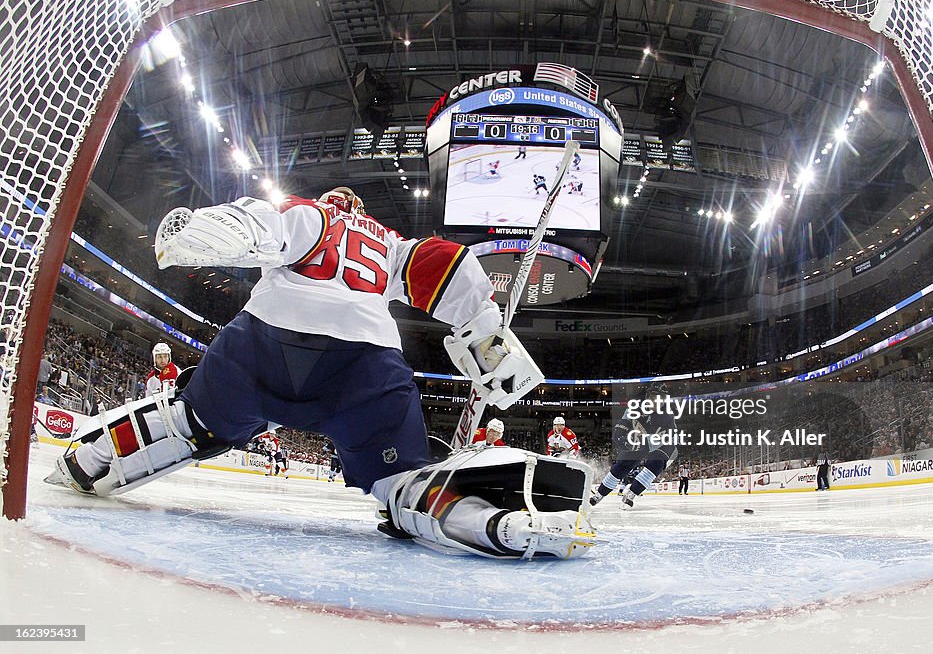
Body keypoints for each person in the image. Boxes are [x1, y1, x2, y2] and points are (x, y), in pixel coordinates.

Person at [46, 187, 596, 559]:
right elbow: (450, 268)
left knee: (188, 422)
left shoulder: (316, 214)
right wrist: (487, 337)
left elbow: (264, 225)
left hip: (263, 345)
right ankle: (497, 526)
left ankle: (87, 462)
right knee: (401, 483)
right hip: (363, 367)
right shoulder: (392, 247)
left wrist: (206, 230)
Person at [590, 382, 678, 510]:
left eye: (661, 398)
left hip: (663, 443)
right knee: (621, 466)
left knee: (655, 464)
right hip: (642, 440)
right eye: (654, 396)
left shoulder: (666, 416)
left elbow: (656, 441)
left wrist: (635, 442)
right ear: (647, 396)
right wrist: (623, 439)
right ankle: (599, 495)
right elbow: (619, 431)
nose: (657, 401)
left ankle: (631, 494)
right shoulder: (634, 407)